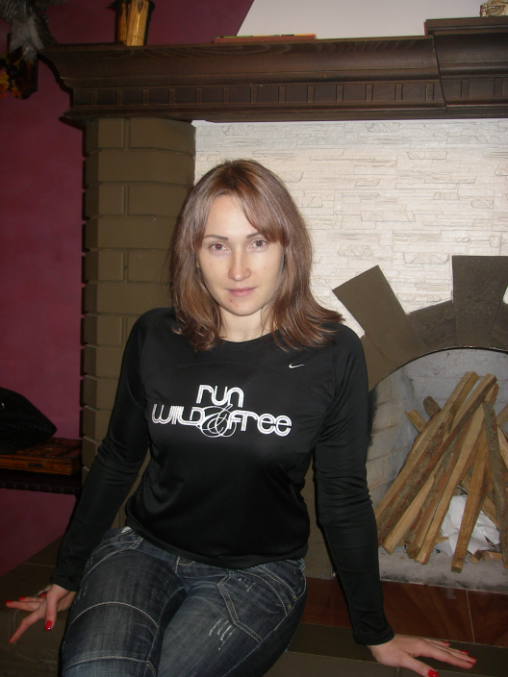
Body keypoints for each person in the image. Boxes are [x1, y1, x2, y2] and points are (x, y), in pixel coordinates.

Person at [6, 160, 476, 677]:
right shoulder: (156, 336)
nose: (237, 270)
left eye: (257, 242)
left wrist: (374, 630)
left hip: (258, 576)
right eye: (217, 245)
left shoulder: (332, 352)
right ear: (194, 253)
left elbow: (343, 498)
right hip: (141, 553)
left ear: (287, 247)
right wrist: (68, 573)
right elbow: (118, 457)